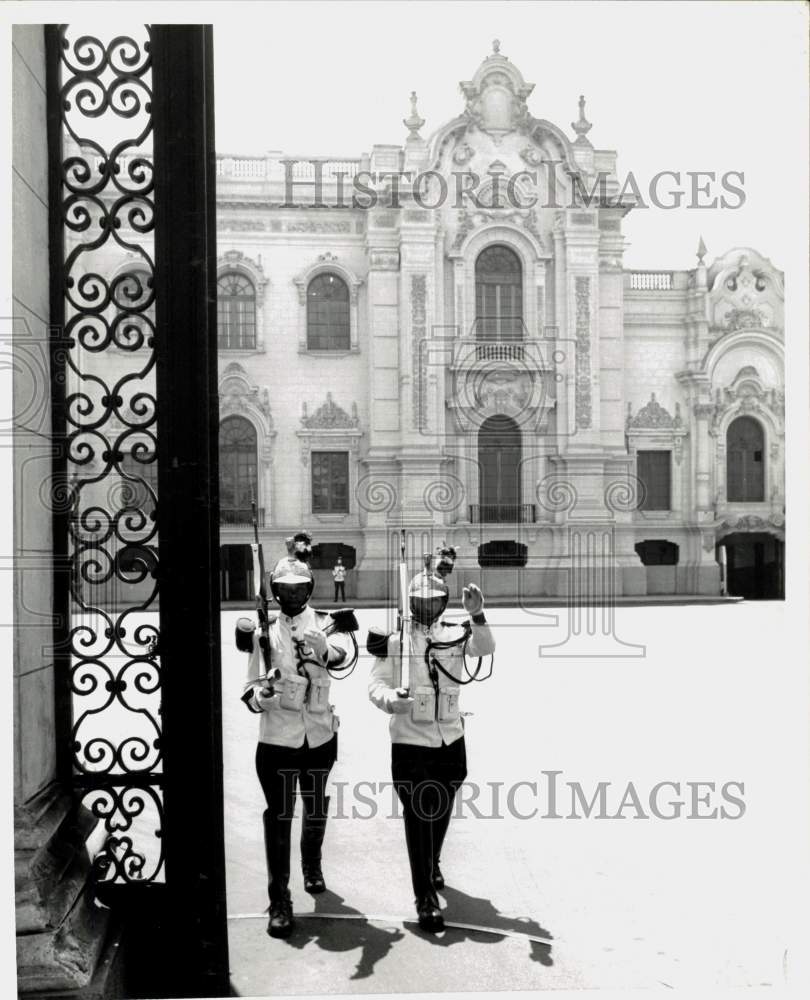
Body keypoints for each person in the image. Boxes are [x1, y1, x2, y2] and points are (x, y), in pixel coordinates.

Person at [367, 547, 495, 932]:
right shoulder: (394, 640)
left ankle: (431, 862)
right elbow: (376, 684)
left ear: (443, 602)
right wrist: (392, 700)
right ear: (410, 602)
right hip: (410, 741)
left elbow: (486, 649)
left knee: (440, 813)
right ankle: (424, 896)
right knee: (418, 816)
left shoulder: (456, 634)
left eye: (434, 601)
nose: (426, 607)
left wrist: (477, 614)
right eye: (419, 602)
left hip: (450, 738)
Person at [241, 532, 354, 939]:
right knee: (279, 815)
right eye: (284, 589)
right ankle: (279, 899)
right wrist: (262, 696)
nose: (291, 595)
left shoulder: (326, 622)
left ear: (309, 589)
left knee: (315, 805)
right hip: (277, 739)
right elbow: (250, 686)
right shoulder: (263, 631)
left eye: (299, 588)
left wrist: (324, 650)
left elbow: (344, 659)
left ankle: (312, 864)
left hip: (320, 735)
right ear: (275, 591)